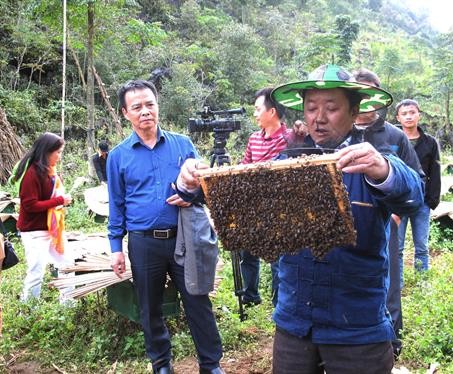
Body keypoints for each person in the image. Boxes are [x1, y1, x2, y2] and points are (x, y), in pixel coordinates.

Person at [269, 64, 423, 373]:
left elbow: (413, 194)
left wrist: (384, 170)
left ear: (354, 112)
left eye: (331, 107)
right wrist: (192, 183)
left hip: (357, 328)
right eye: (311, 107)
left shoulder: (371, 158)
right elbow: (230, 194)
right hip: (294, 325)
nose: (319, 117)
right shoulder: (284, 162)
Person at [107, 80, 223, 374]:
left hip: (184, 239)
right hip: (144, 243)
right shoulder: (119, 156)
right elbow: (116, 204)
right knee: (150, 308)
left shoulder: (182, 144)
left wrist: (189, 196)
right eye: (137, 107)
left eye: (150, 104)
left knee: (197, 302)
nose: (145, 111)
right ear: (125, 113)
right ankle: (161, 365)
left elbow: (204, 188)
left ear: (157, 106)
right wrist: (115, 249)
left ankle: (211, 365)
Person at [352, 68, 424, 357]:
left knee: (390, 281)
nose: (365, 100)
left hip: (385, 221)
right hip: (346, 220)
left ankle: (392, 341)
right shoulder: (340, 132)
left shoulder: (394, 135)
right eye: (359, 93)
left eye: (371, 94)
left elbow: (415, 179)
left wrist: (396, 214)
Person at [240, 87, 305, 307]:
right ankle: (250, 299)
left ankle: (280, 305)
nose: (255, 114)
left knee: (278, 260)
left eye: (258, 109)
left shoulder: (290, 140)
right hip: (252, 206)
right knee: (247, 254)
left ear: (272, 111)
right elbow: (244, 167)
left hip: (279, 209)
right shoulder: (253, 139)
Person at [10, 132, 74, 303]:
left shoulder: (49, 171)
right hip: (34, 231)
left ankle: (67, 303)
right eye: (58, 152)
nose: (60, 157)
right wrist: (59, 200)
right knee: (36, 271)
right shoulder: (32, 174)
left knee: (67, 264)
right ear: (47, 152)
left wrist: (60, 201)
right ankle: (29, 312)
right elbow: (30, 206)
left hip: (51, 229)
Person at [395, 99, 441, 286]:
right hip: (398, 199)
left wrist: (432, 200)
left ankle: (422, 282)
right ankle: (397, 283)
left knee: (421, 246)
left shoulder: (430, 142)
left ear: (418, 115)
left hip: (422, 200)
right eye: (404, 113)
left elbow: (435, 172)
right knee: (396, 247)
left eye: (412, 112)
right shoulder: (393, 139)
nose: (408, 116)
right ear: (398, 117)